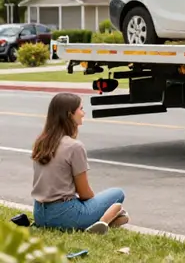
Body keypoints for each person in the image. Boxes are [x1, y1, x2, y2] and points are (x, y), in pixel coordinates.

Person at [31, 93, 128, 234]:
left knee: (119, 212)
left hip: (40, 214)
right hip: (64, 215)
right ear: (70, 114)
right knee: (117, 194)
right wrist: (93, 206)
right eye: (81, 109)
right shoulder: (74, 147)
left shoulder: (41, 143)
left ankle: (105, 219)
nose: (83, 113)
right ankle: (103, 221)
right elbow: (84, 193)